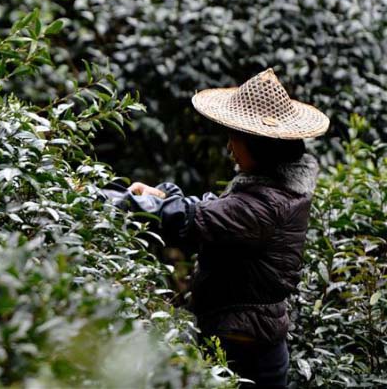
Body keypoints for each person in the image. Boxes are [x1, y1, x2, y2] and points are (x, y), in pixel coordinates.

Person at [104, 68, 329, 388]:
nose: (229, 148)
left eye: (234, 139)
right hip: (249, 337)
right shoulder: (272, 188)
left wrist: (113, 201)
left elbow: (192, 220)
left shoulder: (266, 205)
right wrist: (162, 195)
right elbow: (215, 209)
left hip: (246, 348)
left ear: (258, 147)